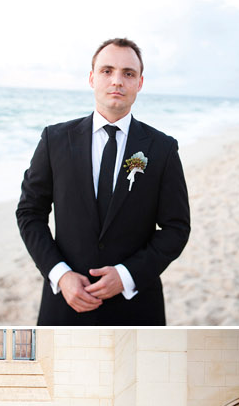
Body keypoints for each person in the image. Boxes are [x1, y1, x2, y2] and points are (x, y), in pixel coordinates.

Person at [16, 37, 190, 327]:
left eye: (128, 73)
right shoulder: (54, 140)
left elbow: (176, 227)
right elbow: (29, 213)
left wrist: (126, 275)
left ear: (140, 83)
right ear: (92, 77)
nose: (117, 81)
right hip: (66, 302)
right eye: (107, 71)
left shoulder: (163, 148)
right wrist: (60, 274)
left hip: (136, 305)